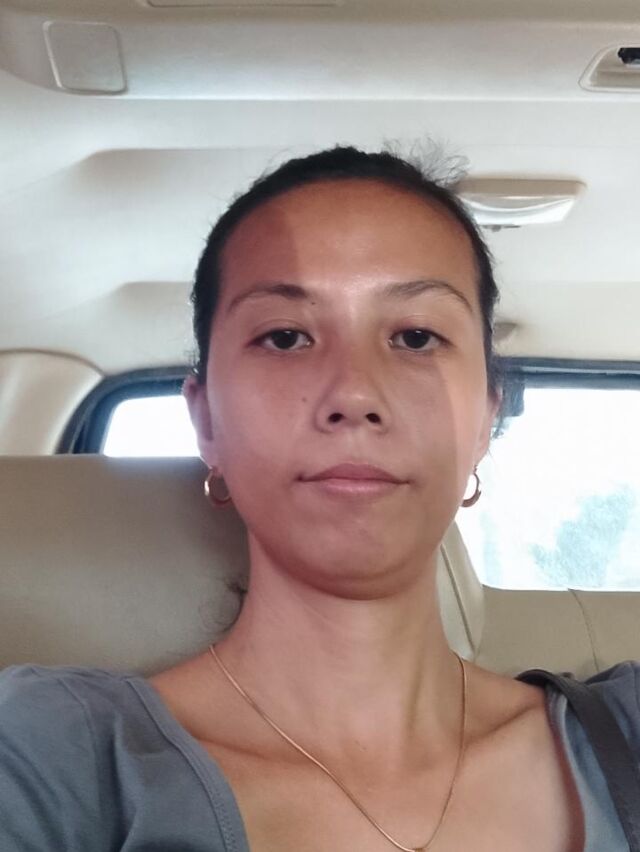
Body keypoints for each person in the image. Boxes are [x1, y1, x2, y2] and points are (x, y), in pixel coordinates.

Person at [0, 146, 637, 852]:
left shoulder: (628, 732)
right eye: (285, 337)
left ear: (486, 419)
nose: (354, 394)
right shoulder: (50, 759)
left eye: (416, 337)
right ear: (206, 422)